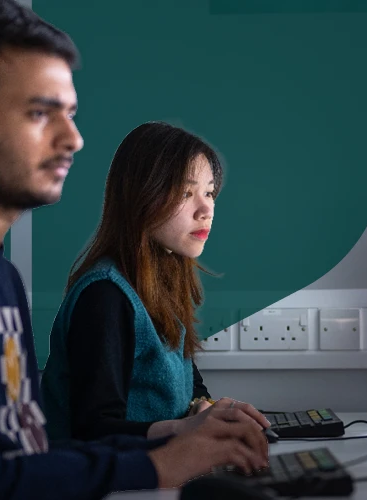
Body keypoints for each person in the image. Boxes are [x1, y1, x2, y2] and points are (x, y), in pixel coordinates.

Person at [0, 1, 269, 498]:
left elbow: (28, 456)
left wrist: (175, 443)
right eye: (40, 112)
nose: (73, 139)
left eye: (71, 114)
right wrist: (159, 468)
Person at [40, 122, 246, 442]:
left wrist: (204, 408)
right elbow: (94, 430)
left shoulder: (163, 281)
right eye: (186, 192)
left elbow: (188, 383)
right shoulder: (105, 295)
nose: (206, 209)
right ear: (142, 196)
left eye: (208, 192)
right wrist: (184, 429)